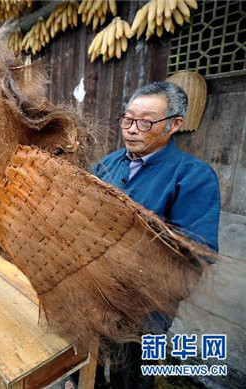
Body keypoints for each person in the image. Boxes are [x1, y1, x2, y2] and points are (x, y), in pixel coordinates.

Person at [87, 81, 221, 388]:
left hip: (149, 302)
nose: (132, 129)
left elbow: (198, 250)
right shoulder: (106, 164)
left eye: (145, 122)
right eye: (128, 119)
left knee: (133, 371)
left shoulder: (193, 176)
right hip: (96, 287)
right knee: (90, 354)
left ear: (175, 125)